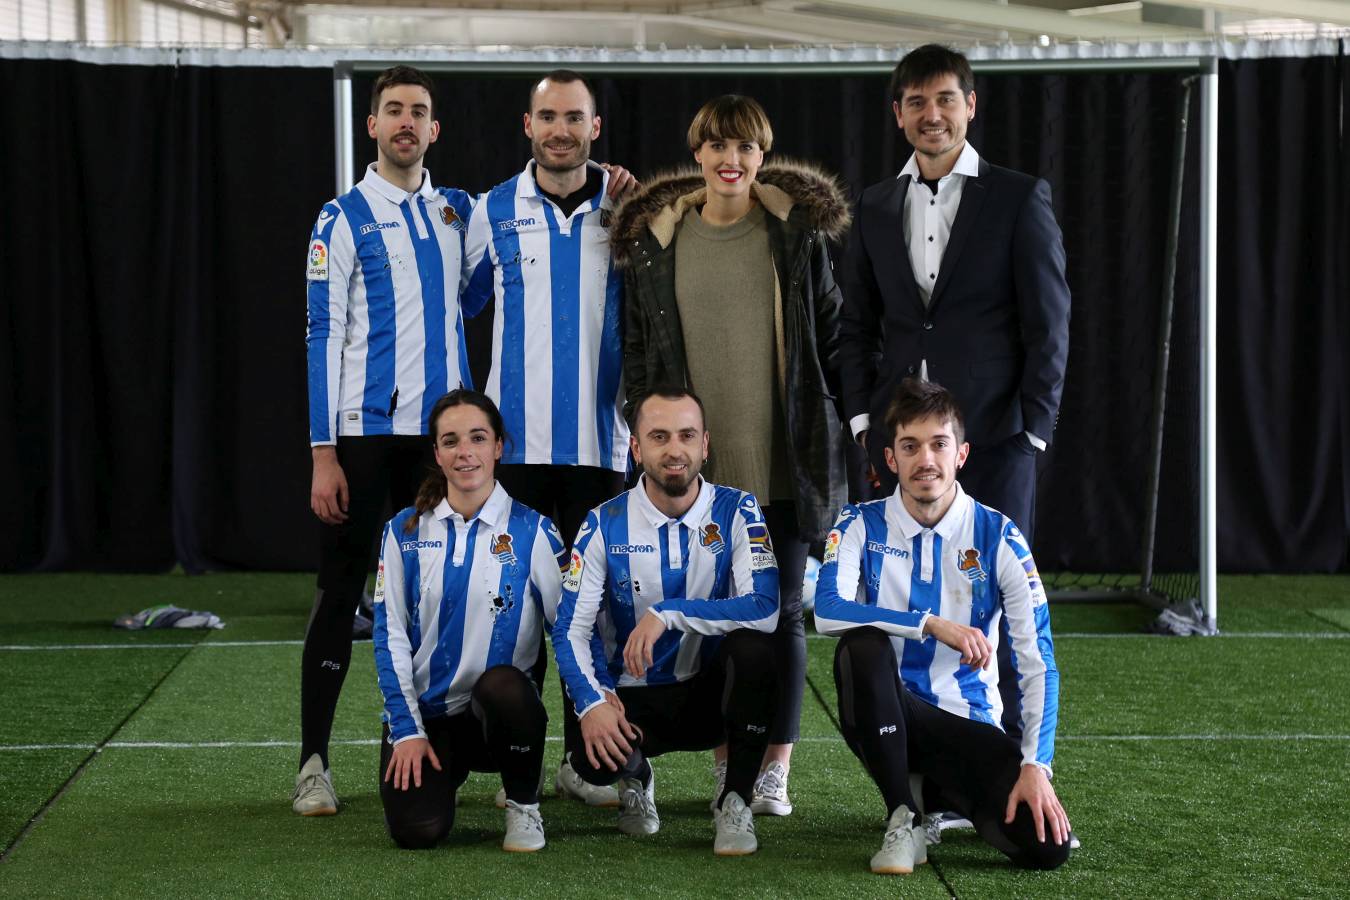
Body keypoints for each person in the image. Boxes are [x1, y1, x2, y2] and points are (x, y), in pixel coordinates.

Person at [610, 94, 847, 816]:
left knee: (782, 618)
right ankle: (729, 764)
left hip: (783, 468)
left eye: (744, 148)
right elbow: (641, 359)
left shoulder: (796, 235)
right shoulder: (656, 241)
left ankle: (773, 769)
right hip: (698, 481)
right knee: (714, 621)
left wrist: (837, 430)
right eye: (716, 146)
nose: (730, 160)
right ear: (698, 154)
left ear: (761, 156)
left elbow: (830, 341)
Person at [297, 65, 475, 816]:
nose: (407, 121)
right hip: (365, 441)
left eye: (421, 112)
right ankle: (313, 763)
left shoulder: (461, 213)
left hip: (445, 447)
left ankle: (435, 755)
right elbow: (320, 334)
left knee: (443, 598)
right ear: (371, 125)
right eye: (394, 110)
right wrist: (323, 452)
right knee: (342, 596)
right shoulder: (338, 220)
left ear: (435, 130)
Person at [461, 69, 636, 807]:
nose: (560, 129)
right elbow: (460, 307)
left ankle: (583, 762)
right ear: (526, 126)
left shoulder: (629, 207)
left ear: (595, 128)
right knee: (521, 609)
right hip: (519, 452)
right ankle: (519, 767)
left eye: (574, 117)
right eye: (547, 117)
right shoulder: (490, 209)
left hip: (603, 447)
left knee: (593, 612)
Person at [814, 378, 1070, 874]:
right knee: (862, 647)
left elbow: (1038, 662)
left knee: (1045, 849)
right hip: (886, 717)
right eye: (910, 446)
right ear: (891, 459)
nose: (924, 459)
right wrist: (930, 624)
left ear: (961, 454)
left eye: (938, 444)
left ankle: (943, 799)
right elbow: (827, 610)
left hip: (968, 727)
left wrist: (1035, 765)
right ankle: (902, 818)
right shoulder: (857, 524)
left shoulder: (1000, 536)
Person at [838, 43, 1070, 549]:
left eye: (945, 99)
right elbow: (855, 321)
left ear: (970, 104)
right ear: (899, 114)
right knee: (897, 590)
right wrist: (861, 418)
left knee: (996, 593)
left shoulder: (1019, 197)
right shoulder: (874, 205)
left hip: (995, 435)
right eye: (917, 102)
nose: (933, 115)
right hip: (896, 439)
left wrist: (1034, 429)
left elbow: (1048, 322)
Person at [552, 387, 780, 856]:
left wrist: (668, 613)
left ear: (705, 444)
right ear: (636, 449)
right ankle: (634, 772)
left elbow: (765, 605)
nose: (674, 450)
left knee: (756, 652)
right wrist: (592, 703)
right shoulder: (602, 523)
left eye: (686, 436)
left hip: (704, 695)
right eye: (658, 436)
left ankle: (734, 799)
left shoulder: (738, 510)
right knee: (594, 763)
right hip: (628, 701)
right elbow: (570, 630)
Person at [373, 389, 567, 851]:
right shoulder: (403, 532)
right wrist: (406, 731)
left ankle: (524, 804)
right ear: (436, 453)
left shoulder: (534, 531)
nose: (465, 452)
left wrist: (595, 704)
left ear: (498, 446)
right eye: (451, 441)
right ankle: (440, 774)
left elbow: (572, 631)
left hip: (494, 717)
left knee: (505, 686)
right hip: (429, 718)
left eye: (478, 438)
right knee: (416, 833)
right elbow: (390, 637)